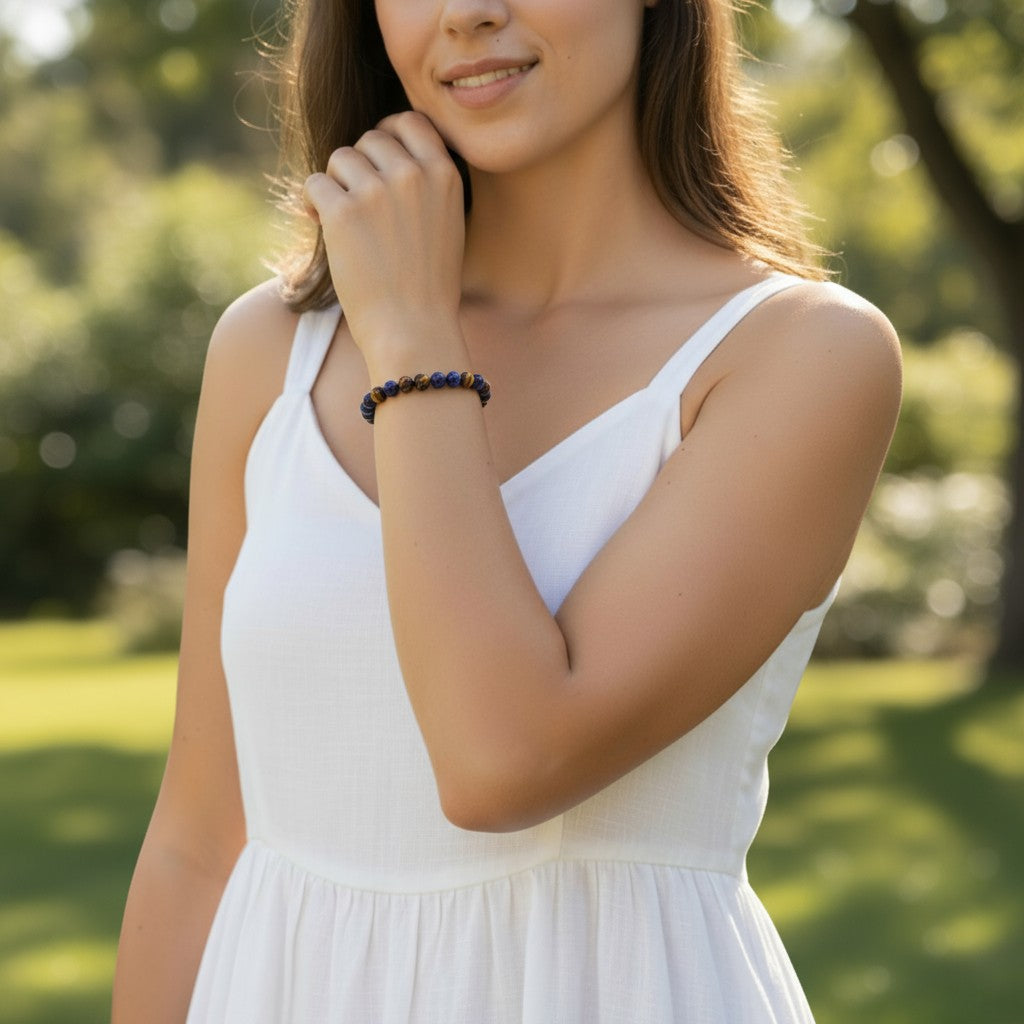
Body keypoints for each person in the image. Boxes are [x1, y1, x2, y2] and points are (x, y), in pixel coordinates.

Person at [111, 0, 902, 1019]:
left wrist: (414, 341)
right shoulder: (271, 349)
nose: (467, 13)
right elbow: (196, 841)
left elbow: (501, 763)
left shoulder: (799, 355)